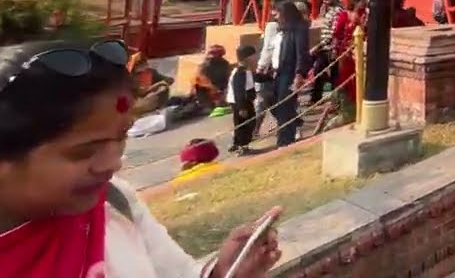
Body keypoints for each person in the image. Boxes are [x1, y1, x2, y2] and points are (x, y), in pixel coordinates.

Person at [0, 39, 281, 277]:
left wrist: (224, 271)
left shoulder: (114, 201)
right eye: (84, 151)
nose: (113, 163)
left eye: (121, 137)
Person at [271, 1, 312, 148]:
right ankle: (293, 123)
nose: (276, 17)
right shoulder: (284, 30)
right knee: (273, 102)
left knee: (284, 106)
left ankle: (285, 139)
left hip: (290, 71)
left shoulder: (299, 29)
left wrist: (299, 74)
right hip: (279, 71)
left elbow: (301, 52)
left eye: (279, 13)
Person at [228, 45, 259, 154]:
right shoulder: (240, 73)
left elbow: (256, 78)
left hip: (244, 101)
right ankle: (241, 146)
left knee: (243, 123)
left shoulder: (246, 70)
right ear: (247, 58)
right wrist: (241, 107)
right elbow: (238, 90)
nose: (256, 58)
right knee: (245, 123)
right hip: (240, 102)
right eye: (253, 56)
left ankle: (239, 144)